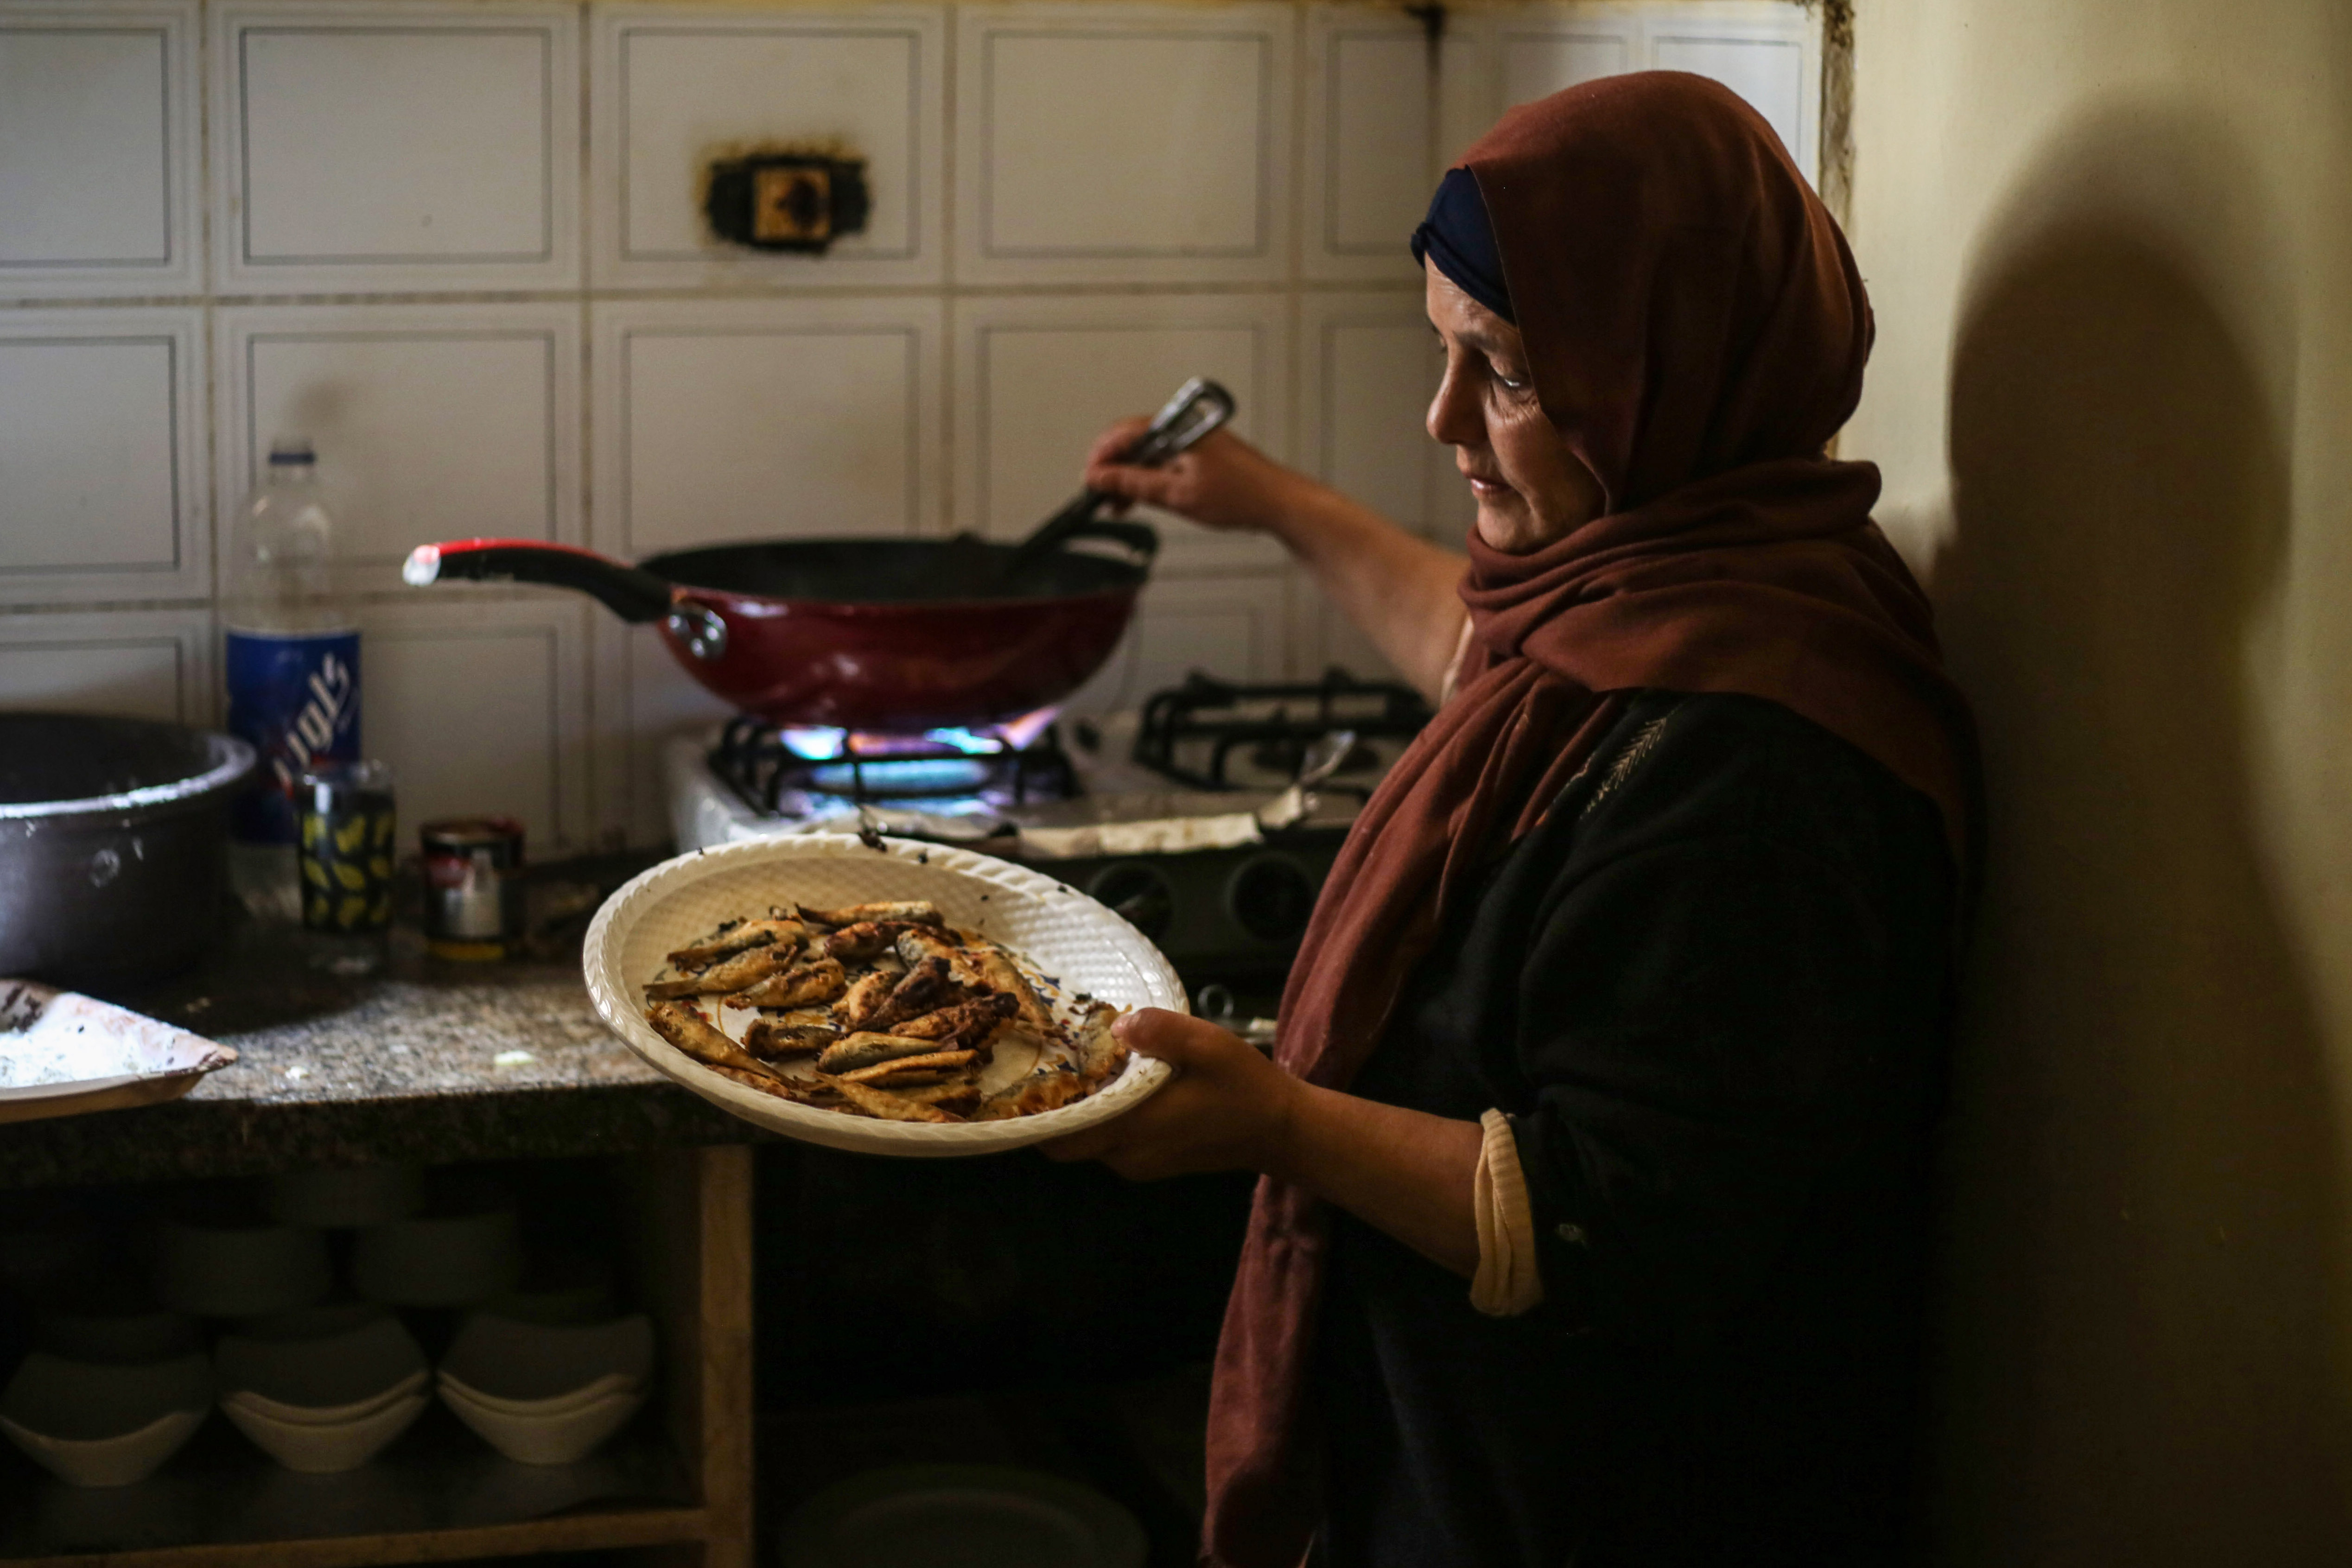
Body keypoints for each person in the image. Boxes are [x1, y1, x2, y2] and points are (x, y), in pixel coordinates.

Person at [1041, 71, 1980, 1568]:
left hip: (1611, 1503)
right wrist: (1270, 500)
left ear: (1661, 370)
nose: (1441, 420)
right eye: (1443, 352)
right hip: (1472, 1457)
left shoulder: (1761, 767)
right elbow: (1495, 667)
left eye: (1509, 374)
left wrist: (1272, 1120)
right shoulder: (1689, 576)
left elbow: (1621, 1219)